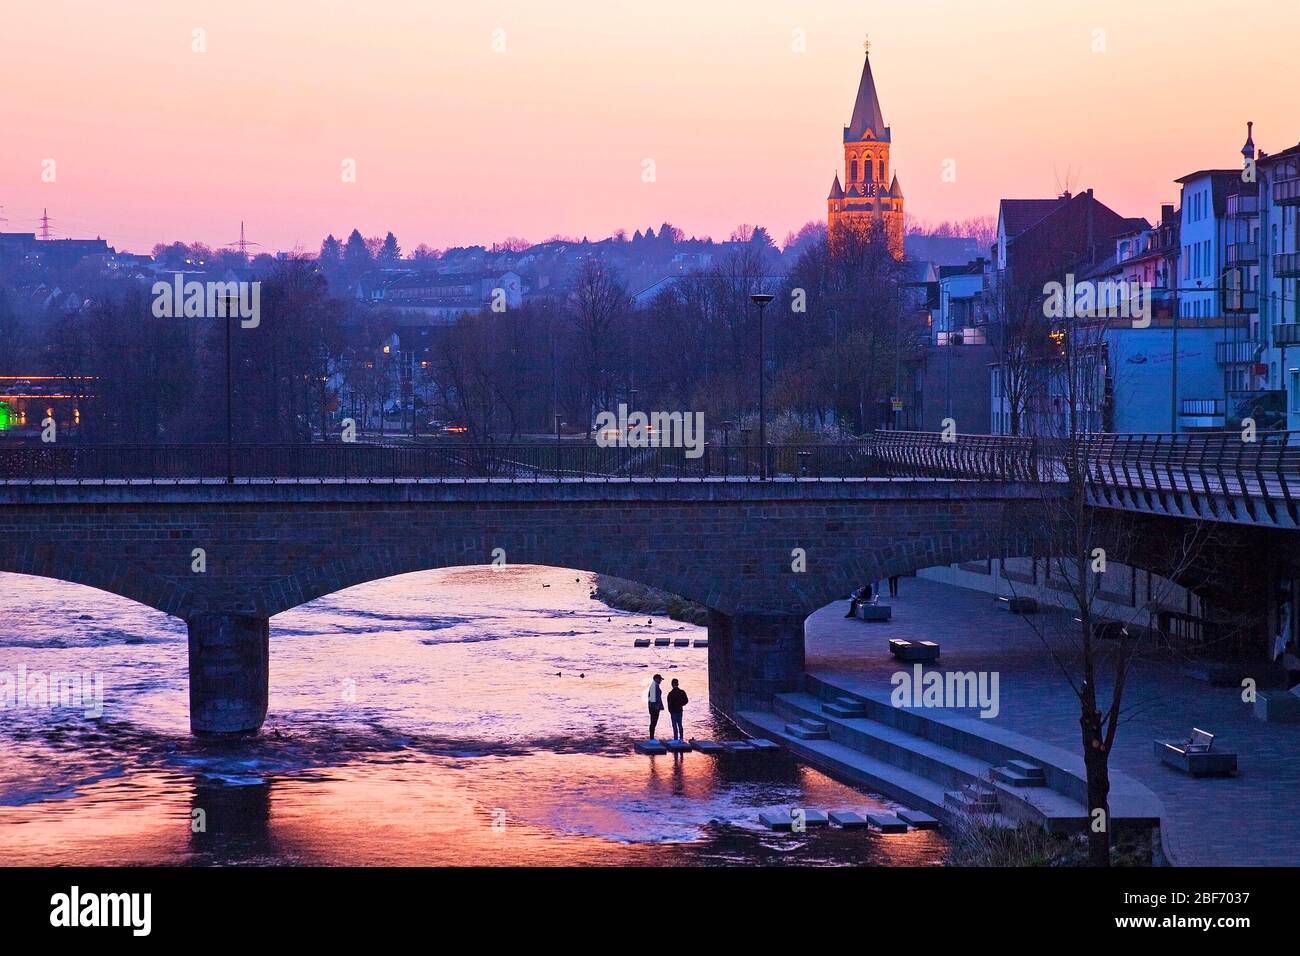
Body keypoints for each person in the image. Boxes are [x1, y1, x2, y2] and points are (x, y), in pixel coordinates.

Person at [647, 674, 665, 739]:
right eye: (660, 679)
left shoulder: (655, 686)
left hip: (655, 708)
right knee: (653, 723)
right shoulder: (653, 686)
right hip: (654, 708)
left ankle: (652, 737)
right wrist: (655, 707)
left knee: (654, 723)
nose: (660, 681)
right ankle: (651, 738)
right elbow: (651, 699)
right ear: (656, 679)